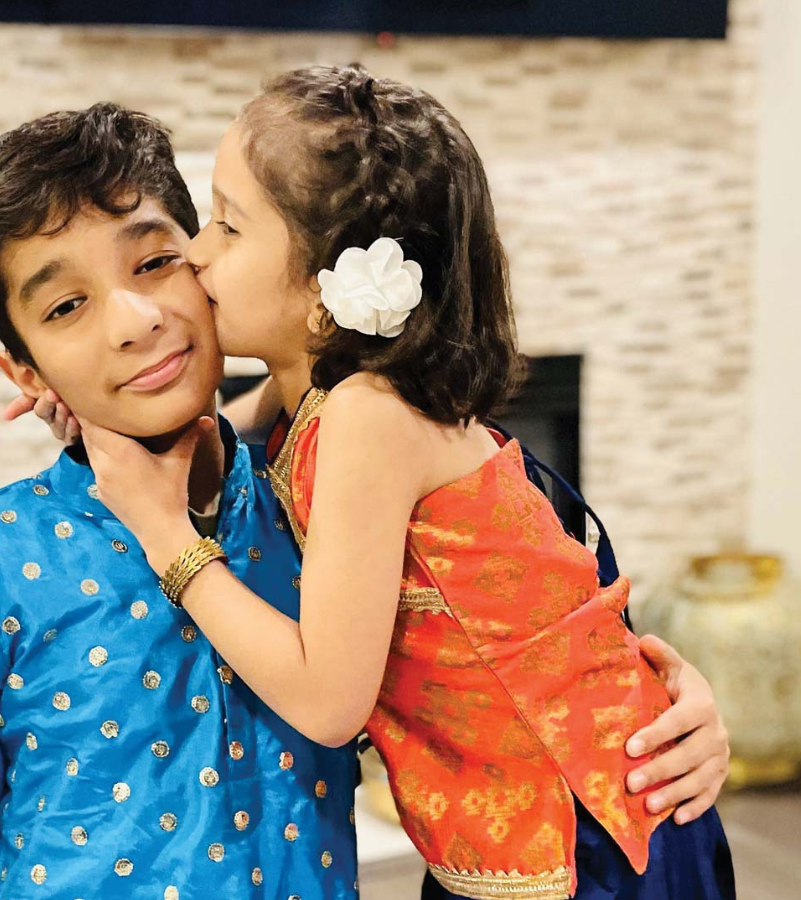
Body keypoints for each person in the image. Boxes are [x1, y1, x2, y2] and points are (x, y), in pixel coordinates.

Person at [76, 66, 736, 900]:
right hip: (508, 835)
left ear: (325, 292)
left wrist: (167, 537)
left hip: (584, 840)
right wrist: (77, 390)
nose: (197, 252)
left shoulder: (367, 416)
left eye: (228, 227)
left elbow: (327, 701)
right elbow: (198, 429)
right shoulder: (316, 398)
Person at [0, 103, 359, 900]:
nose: (135, 321)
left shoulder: (326, 498)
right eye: (65, 307)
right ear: (27, 374)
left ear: (209, 265)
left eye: (154, 263)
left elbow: (492, 625)